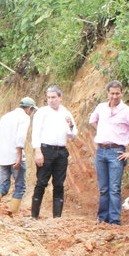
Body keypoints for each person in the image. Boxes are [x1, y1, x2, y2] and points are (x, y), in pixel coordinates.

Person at [88, 80, 129, 225]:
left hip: (116, 152)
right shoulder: (101, 108)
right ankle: (102, 218)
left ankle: (114, 220)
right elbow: (92, 120)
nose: (114, 96)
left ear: (122, 93)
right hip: (101, 151)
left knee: (114, 188)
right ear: (107, 93)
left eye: (117, 93)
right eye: (112, 93)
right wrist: (101, 131)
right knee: (103, 188)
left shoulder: (128, 112)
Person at [30, 85, 77, 219]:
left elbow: (73, 134)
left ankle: (57, 217)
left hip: (61, 151)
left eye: (54, 97)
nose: (51, 100)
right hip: (46, 150)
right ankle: (34, 215)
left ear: (60, 98)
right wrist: (38, 151)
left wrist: (71, 126)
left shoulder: (66, 113)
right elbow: (36, 133)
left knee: (59, 184)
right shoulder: (42, 112)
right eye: (49, 98)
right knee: (41, 182)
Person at [0, 97, 36, 216]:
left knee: (4, 184)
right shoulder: (24, 117)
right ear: (29, 108)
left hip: (2, 156)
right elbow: (20, 138)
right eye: (32, 110)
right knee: (20, 186)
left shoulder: (7, 116)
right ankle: (12, 211)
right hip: (14, 156)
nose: (31, 113)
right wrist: (18, 157)